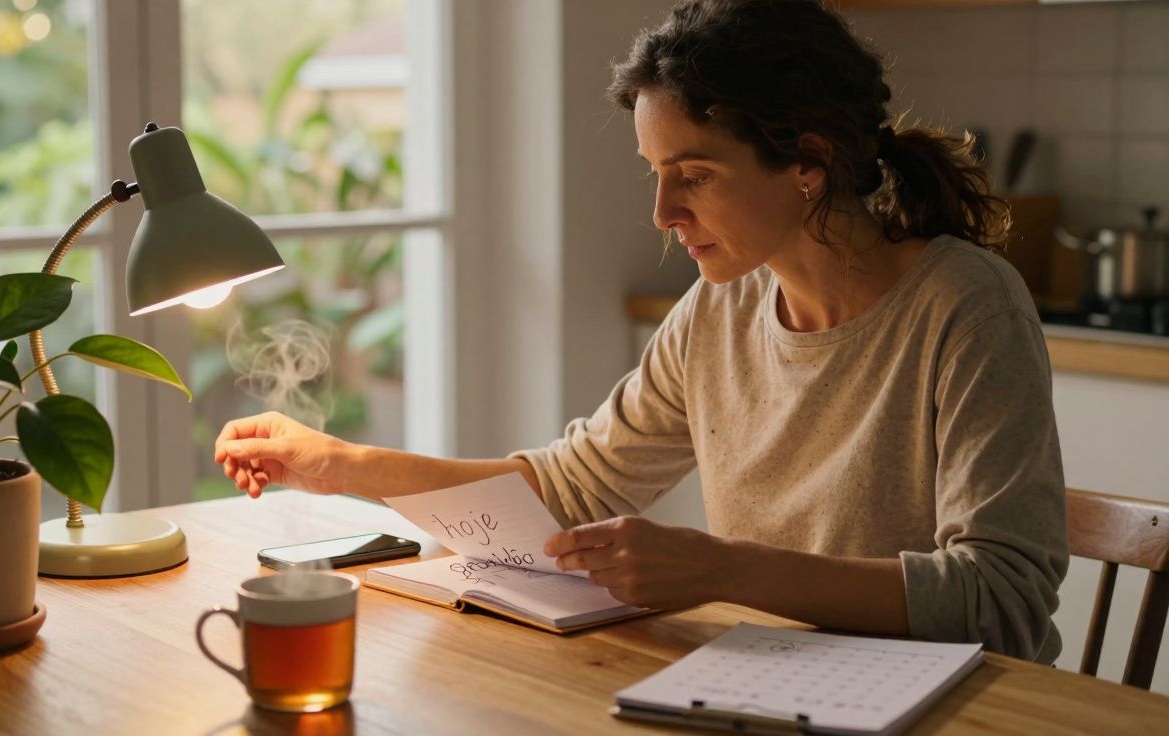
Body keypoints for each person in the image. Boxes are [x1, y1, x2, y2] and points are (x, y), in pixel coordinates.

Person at [214, 0, 1067, 663]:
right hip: (777, 684)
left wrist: (724, 569)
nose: (663, 212)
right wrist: (344, 466)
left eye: (694, 174)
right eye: (657, 173)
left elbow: (1000, 597)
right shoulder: (720, 311)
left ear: (808, 164)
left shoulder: (965, 307)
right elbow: (572, 488)